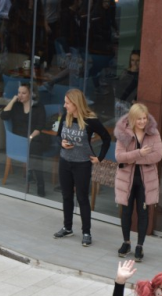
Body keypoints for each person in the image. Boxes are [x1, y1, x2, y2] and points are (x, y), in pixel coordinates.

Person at [54, 88, 111, 247]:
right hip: (65, 161)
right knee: (66, 196)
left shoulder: (90, 120)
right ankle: (67, 228)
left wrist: (99, 158)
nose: (64, 105)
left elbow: (106, 138)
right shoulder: (65, 116)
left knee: (82, 198)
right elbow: (58, 136)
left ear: (76, 103)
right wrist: (62, 143)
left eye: (67, 103)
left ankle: (86, 232)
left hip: (82, 164)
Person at [114, 103, 162, 262]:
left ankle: (140, 246)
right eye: (139, 119)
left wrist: (133, 159)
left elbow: (157, 155)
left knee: (143, 212)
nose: (142, 122)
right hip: (126, 179)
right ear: (132, 119)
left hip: (145, 180)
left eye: (144, 118)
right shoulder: (123, 133)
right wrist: (139, 153)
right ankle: (126, 242)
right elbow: (119, 156)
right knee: (126, 211)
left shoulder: (153, 133)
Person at [0, 83, 48, 196]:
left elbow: (40, 126)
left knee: (35, 145)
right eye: (19, 92)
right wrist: (13, 100)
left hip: (34, 137)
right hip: (18, 139)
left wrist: (30, 137)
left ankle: (34, 176)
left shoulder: (38, 106)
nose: (20, 95)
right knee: (35, 149)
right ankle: (39, 181)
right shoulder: (16, 105)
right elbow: (3, 116)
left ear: (31, 94)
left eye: (24, 93)